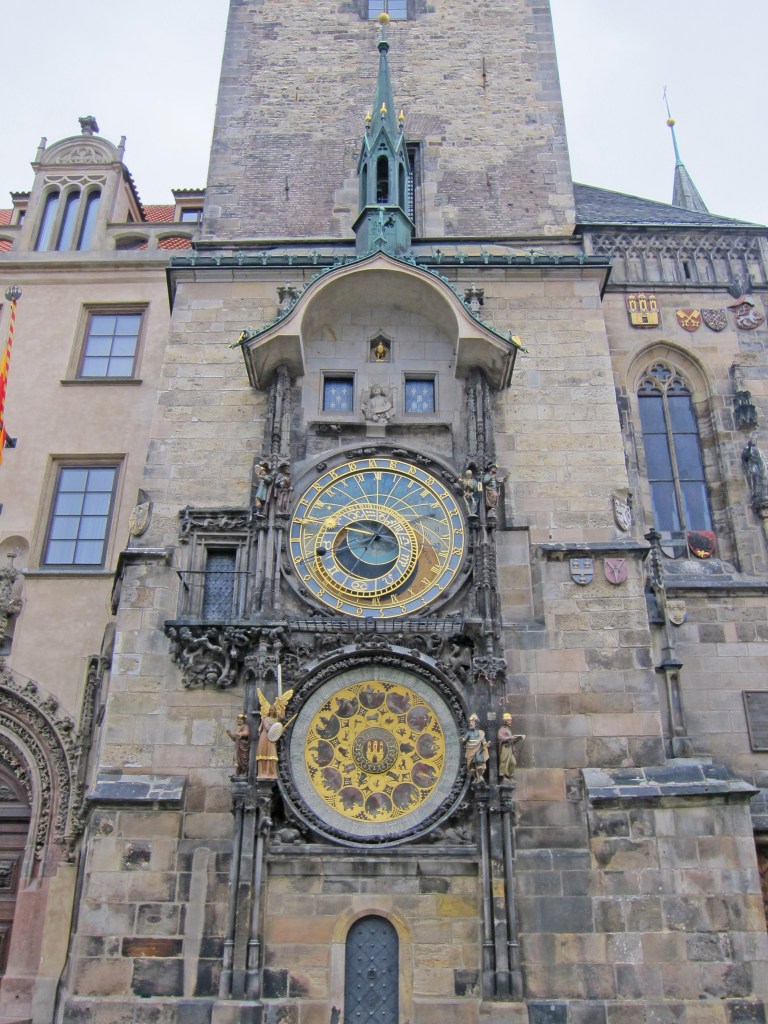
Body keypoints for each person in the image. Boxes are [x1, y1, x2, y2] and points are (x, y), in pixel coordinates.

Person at [256, 687, 294, 780]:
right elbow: (268, 728)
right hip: (265, 737)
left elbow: (282, 717)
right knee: (263, 754)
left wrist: (281, 706)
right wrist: (276, 729)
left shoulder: (276, 719)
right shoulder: (265, 719)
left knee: (272, 754)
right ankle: (262, 772)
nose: (271, 711)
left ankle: (271, 772)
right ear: (269, 710)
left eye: (273, 709)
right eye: (270, 709)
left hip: (271, 739)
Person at [461, 713, 489, 783]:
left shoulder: (479, 732)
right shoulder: (469, 733)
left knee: (479, 762)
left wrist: (485, 743)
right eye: (470, 722)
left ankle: (480, 776)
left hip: (478, 749)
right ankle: (475, 777)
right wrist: (462, 740)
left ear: (475, 723)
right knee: (471, 765)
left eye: (472, 722)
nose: (471, 724)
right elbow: (464, 739)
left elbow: (483, 739)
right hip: (470, 748)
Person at [497, 713, 525, 780]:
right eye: (509, 721)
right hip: (505, 748)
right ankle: (503, 776)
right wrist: (510, 738)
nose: (510, 722)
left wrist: (518, 739)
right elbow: (500, 738)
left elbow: (511, 740)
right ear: (505, 721)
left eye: (510, 720)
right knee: (504, 762)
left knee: (513, 763)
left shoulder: (508, 730)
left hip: (510, 748)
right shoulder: (501, 730)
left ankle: (508, 775)